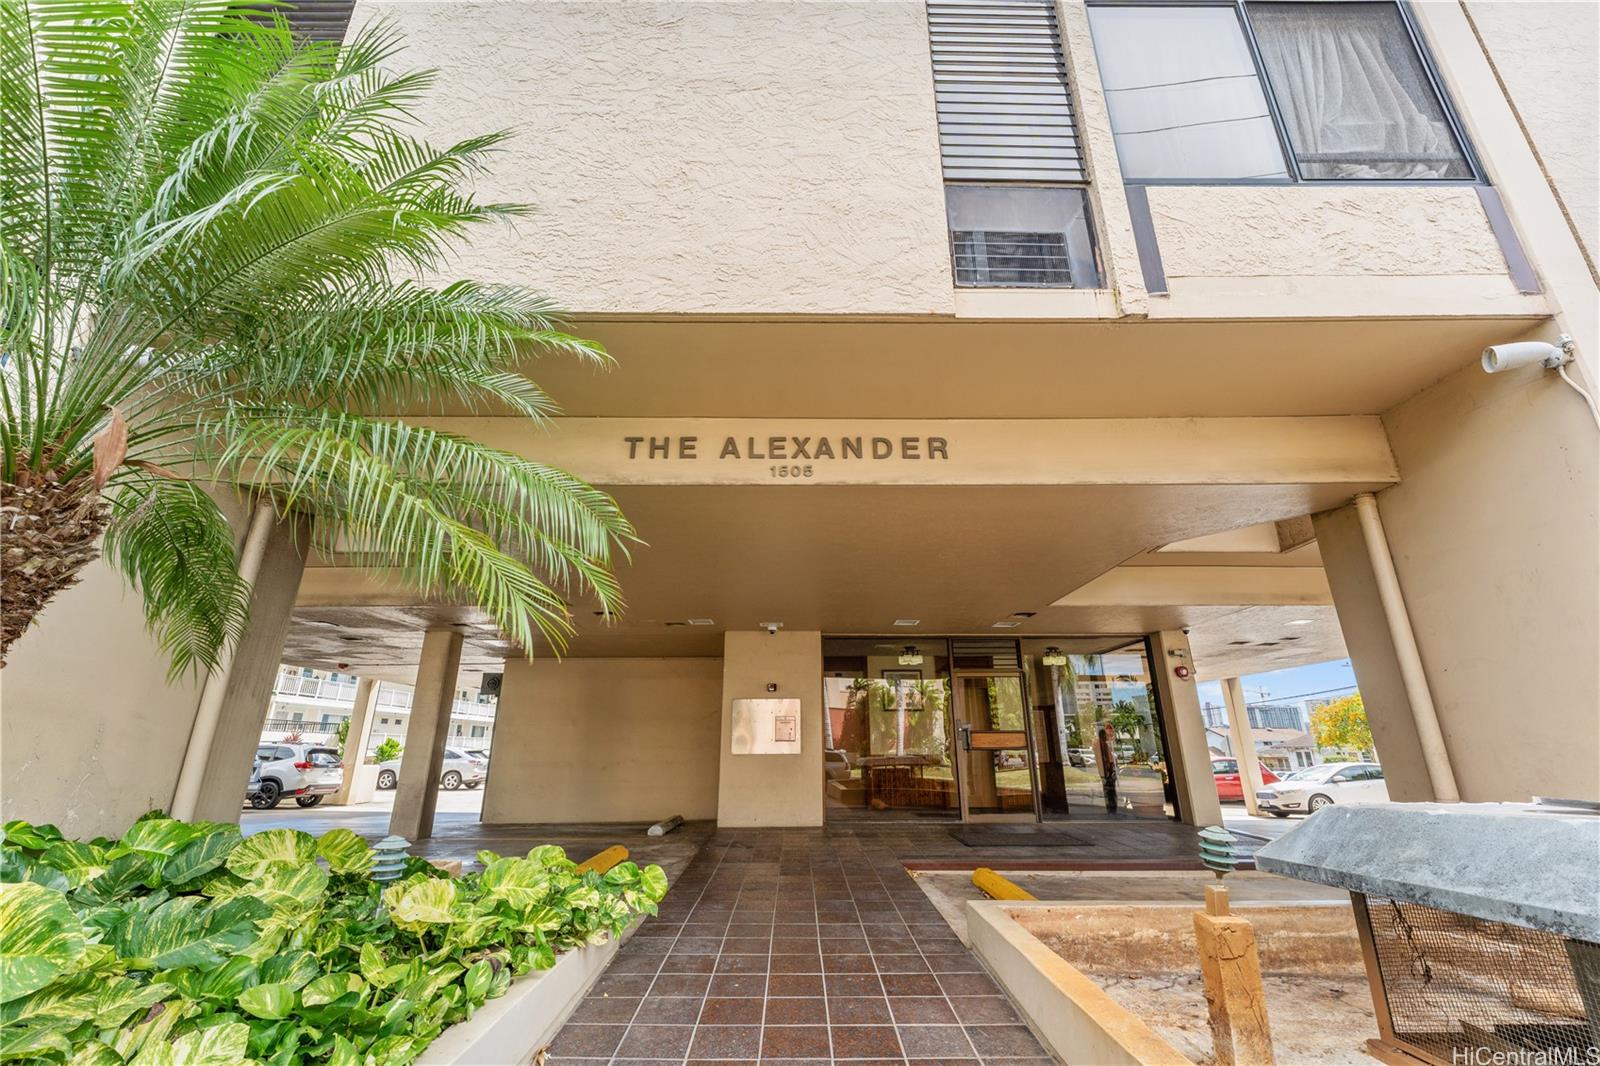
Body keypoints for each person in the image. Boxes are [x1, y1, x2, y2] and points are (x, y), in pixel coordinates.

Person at [1094, 721, 1119, 814]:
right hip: (1107, 770)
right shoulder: (1101, 744)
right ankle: (1111, 807)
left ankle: (1111, 806)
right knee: (1109, 789)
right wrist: (1109, 769)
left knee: (1109, 789)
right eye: (1106, 734)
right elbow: (1106, 758)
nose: (1108, 736)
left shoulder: (1102, 744)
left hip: (1106, 770)